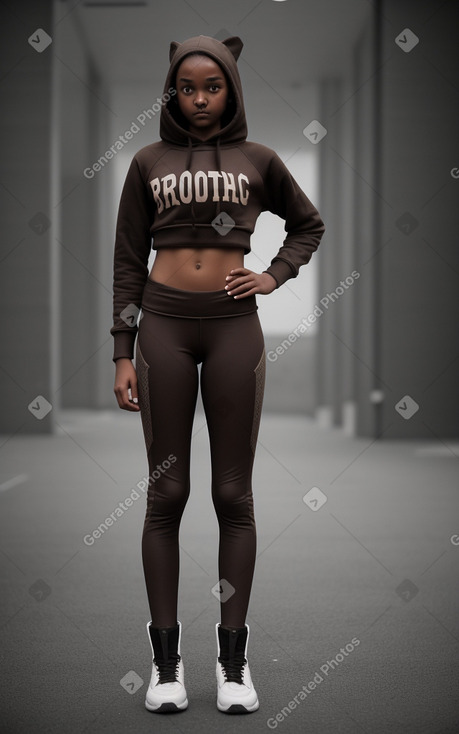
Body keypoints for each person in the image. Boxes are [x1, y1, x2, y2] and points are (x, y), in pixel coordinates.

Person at [111, 34, 325, 715]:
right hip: (163, 328)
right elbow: (125, 261)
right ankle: (165, 664)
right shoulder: (146, 162)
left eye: (213, 86)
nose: (199, 98)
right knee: (165, 494)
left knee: (233, 497)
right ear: (171, 92)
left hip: (234, 329)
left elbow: (307, 225)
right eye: (186, 87)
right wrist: (123, 350)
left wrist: (273, 275)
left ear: (231, 87)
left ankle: (233, 664)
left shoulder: (259, 160)